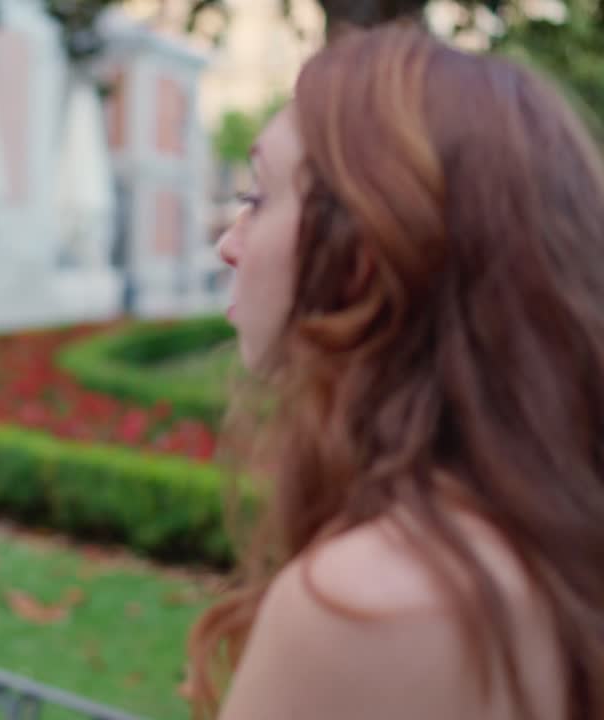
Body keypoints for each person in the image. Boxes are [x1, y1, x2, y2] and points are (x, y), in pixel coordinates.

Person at [184, 27, 604, 720]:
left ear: (363, 254)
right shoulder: (541, 543)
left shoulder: (369, 605)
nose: (229, 244)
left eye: (258, 199)